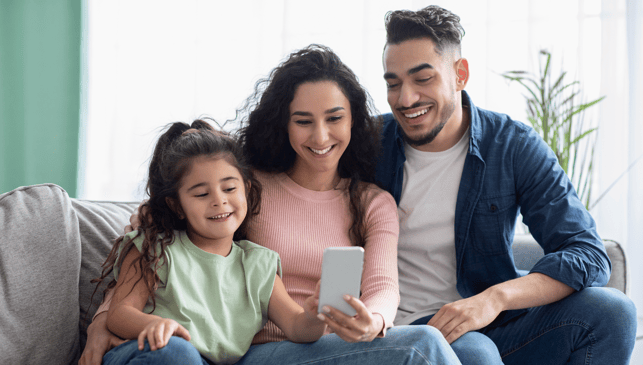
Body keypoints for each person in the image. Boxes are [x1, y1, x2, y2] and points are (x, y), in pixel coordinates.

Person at [80, 45, 461, 365]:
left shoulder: (373, 203)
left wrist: (373, 321)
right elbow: (156, 232)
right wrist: (103, 321)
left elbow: (382, 285)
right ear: (284, 123)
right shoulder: (246, 186)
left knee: (465, 348)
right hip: (255, 348)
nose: (321, 136)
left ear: (353, 121)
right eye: (303, 121)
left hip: (326, 341)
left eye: (334, 118)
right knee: (422, 346)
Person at [376, 5, 637, 364]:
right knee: (476, 353)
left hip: (492, 322)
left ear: (460, 74)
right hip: (406, 331)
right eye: (393, 83)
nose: (405, 99)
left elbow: (587, 252)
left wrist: (494, 299)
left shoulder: (511, 146)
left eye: (423, 79)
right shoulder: (368, 144)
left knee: (613, 311)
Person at [93, 120, 326, 364]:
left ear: (245, 189)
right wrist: (157, 324)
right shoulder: (157, 249)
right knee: (178, 352)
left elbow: (297, 327)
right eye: (202, 194)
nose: (218, 200)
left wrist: (315, 316)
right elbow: (119, 314)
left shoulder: (258, 263)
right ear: (177, 205)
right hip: (154, 353)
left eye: (229, 188)